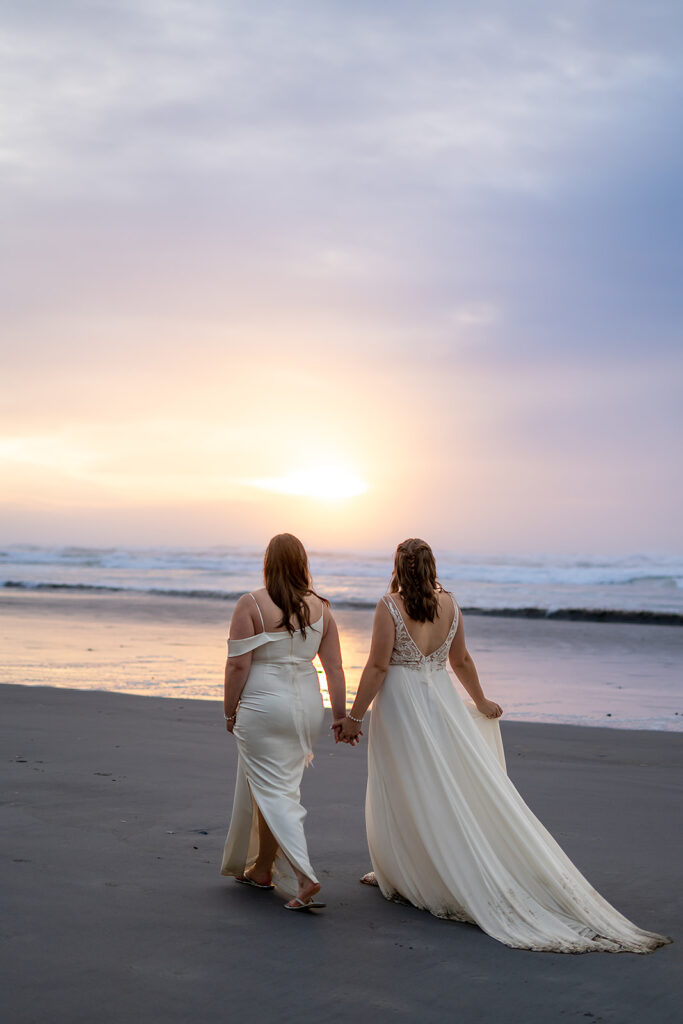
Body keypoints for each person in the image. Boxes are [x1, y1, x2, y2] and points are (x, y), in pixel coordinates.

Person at [337, 538, 670, 953]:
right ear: (431, 565)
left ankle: (407, 870)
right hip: (440, 700)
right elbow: (461, 661)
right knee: (441, 784)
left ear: (398, 567)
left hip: (403, 704)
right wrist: (479, 701)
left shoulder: (389, 606)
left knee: (403, 781)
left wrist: (354, 716)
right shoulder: (451, 604)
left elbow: (379, 665)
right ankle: (407, 866)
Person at [221, 533, 346, 911]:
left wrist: (229, 711)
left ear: (268, 562)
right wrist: (340, 716)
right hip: (307, 705)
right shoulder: (322, 608)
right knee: (275, 786)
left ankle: (305, 876)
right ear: (302, 563)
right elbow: (335, 668)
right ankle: (261, 869)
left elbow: (238, 664)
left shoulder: (252, 604)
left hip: (263, 705)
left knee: (276, 792)